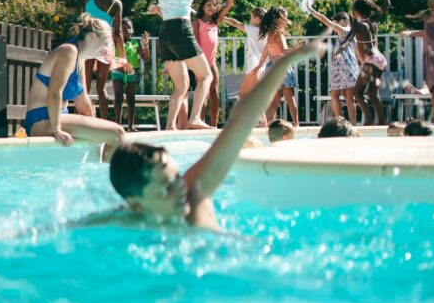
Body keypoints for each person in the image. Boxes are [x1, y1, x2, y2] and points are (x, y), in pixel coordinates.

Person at [81, 34, 330, 231]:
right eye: (165, 189)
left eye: (177, 176)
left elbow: (240, 122)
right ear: (135, 204)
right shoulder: (123, 222)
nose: (180, 188)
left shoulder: (194, 193)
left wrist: (285, 62)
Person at [138, 0, 227, 130]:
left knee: (182, 86)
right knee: (206, 76)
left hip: (165, 34)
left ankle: (170, 126)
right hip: (180, 29)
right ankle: (195, 118)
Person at [22, 14, 131, 145]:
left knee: (108, 135)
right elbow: (54, 92)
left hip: (59, 117)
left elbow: (82, 101)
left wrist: (97, 127)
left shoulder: (80, 59)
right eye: (104, 44)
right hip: (42, 120)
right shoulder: (68, 51)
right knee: (117, 133)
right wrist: (56, 129)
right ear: (93, 37)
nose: (104, 49)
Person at [66, 0, 126, 119]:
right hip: (105, 44)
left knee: (83, 85)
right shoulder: (116, 3)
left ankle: (80, 121)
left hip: (88, 41)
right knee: (101, 87)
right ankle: (104, 123)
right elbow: (118, 32)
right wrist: (123, 56)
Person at [335, 0, 391, 126]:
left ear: (356, 11)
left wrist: (338, 52)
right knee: (372, 93)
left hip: (371, 61)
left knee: (357, 93)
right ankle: (382, 122)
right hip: (380, 60)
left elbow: (346, 41)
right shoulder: (373, 21)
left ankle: (369, 121)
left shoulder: (358, 25)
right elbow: (387, 5)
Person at [193, 0, 244, 126]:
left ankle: (214, 125)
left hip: (211, 62)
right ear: (203, 7)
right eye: (208, 4)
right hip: (200, 62)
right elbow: (194, 43)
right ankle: (199, 122)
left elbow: (228, 5)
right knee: (203, 93)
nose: (211, 7)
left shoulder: (216, 21)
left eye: (214, 5)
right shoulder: (197, 23)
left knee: (214, 92)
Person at [306, 2, 360, 124]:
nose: (335, 26)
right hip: (352, 65)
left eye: (336, 23)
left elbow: (324, 20)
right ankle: (353, 123)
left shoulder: (343, 30)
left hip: (341, 64)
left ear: (344, 21)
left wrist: (312, 10)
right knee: (349, 97)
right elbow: (357, 52)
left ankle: (339, 122)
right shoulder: (353, 33)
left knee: (334, 95)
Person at [254, 7, 301, 126]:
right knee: (289, 98)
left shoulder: (270, 33)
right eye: (285, 18)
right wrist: (296, 49)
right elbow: (284, 51)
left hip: (272, 67)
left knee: (275, 101)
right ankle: (296, 123)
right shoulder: (278, 34)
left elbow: (266, 51)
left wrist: (259, 65)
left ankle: (266, 124)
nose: (286, 21)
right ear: (278, 19)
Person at [222, 6, 268, 105]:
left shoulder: (253, 29)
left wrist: (222, 17)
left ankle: (260, 115)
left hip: (254, 65)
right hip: (263, 64)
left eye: (251, 17)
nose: (250, 20)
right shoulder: (266, 32)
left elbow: (235, 23)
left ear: (257, 19)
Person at [112, 19, 151, 131]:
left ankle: (130, 126)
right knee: (118, 98)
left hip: (131, 74)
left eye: (129, 27)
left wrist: (146, 46)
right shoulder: (116, 42)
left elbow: (146, 59)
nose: (127, 30)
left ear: (133, 29)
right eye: (124, 29)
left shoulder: (135, 43)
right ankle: (117, 126)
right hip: (117, 73)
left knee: (131, 99)